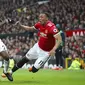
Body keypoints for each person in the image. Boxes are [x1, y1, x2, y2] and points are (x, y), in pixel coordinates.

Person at [8, 12, 62, 81]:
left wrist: (53, 49)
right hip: (37, 47)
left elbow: (59, 39)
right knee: (24, 59)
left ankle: (33, 68)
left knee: (34, 70)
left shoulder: (51, 27)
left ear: (46, 18)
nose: (40, 18)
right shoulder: (39, 24)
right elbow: (30, 29)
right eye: (39, 17)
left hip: (46, 53)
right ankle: (10, 72)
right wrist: (20, 26)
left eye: (42, 17)